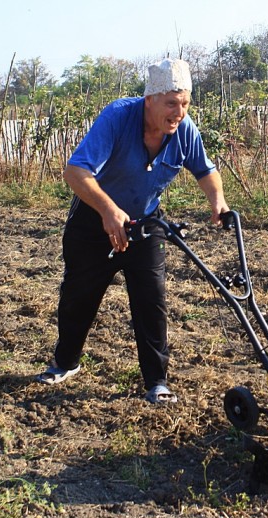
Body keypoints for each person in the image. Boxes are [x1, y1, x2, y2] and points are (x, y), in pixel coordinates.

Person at [37, 58, 229, 404]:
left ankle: (157, 381)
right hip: (94, 219)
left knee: (150, 299)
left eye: (185, 103)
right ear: (150, 100)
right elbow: (75, 172)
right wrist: (109, 211)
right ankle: (65, 362)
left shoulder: (184, 130)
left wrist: (218, 202)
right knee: (79, 296)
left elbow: (205, 170)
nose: (179, 112)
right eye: (172, 103)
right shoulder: (117, 118)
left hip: (145, 221)